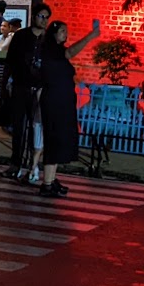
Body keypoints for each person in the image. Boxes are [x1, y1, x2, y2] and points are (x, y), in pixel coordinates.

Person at [35, 18, 100, 196]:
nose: (66, 34)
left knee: (60, 139)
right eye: (62, 31)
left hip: (62, 102)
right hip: (54, 102)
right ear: (54, 33)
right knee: (53, 139)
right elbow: (70, 53)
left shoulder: (56, 50)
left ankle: (52, 178)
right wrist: (90, 37)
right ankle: (46, 184)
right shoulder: (50, 50)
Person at [2, 3, 51, 179]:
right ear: (34, 17)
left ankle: (33, 164)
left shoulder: (48, 40)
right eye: (41, 16)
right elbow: (11, 60)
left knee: (36, 129)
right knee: (18, 127)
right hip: (20, 86)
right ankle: (15, 164)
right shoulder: (21, 36)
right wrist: (7, 81)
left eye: (46, 17)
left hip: (39, 89)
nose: (44, 20)